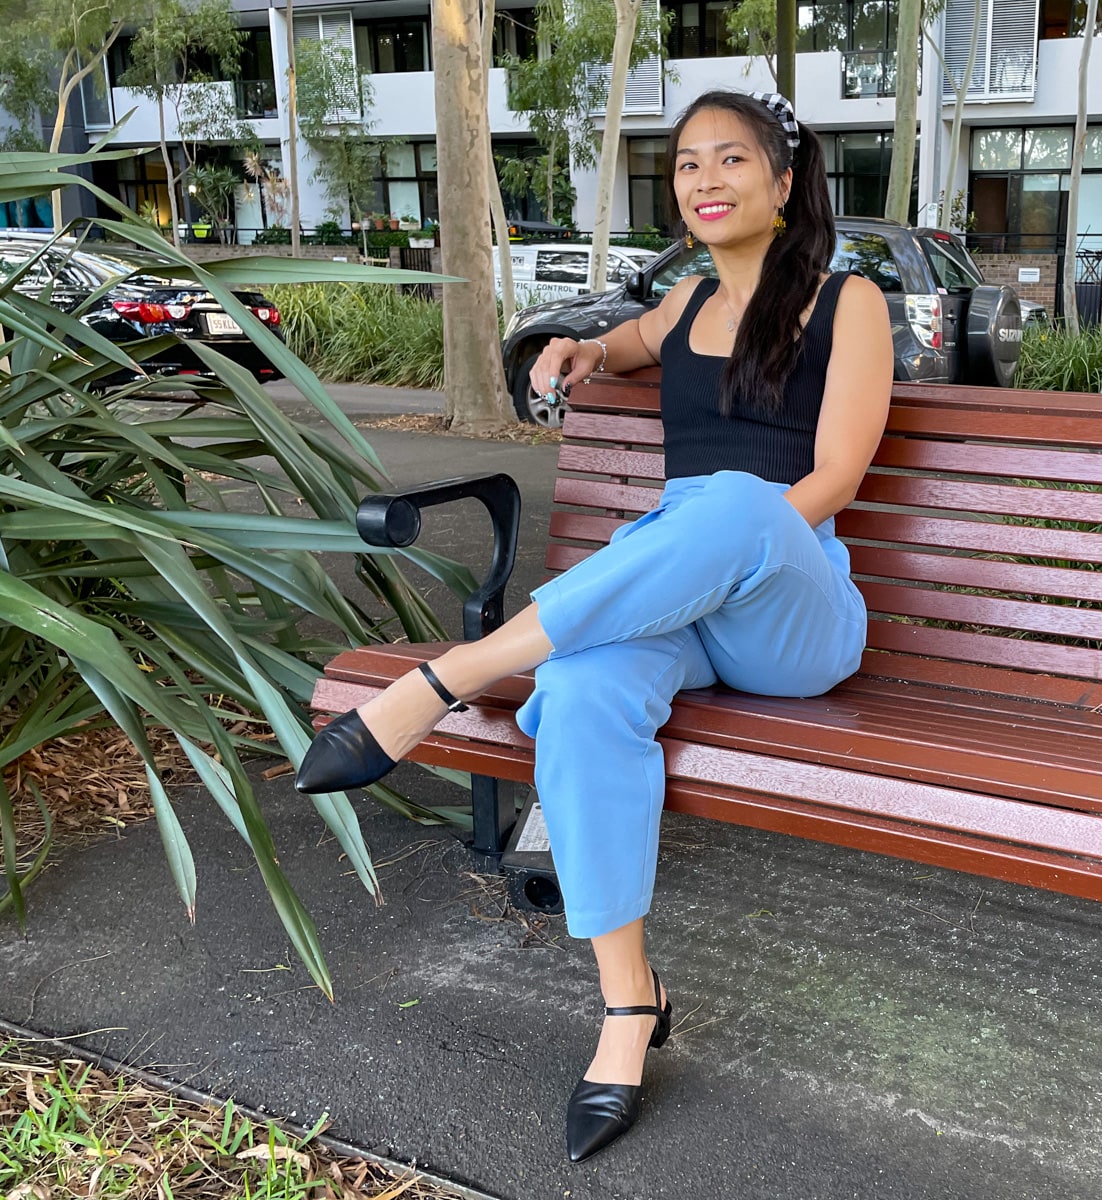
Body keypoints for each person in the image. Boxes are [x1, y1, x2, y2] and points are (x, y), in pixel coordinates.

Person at [294, 89, 893, 1163]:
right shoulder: (687, 306)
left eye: (731, 161)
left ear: (785, 182)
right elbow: (621, 345)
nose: (705, 182)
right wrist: (573, 354)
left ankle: (446, 677)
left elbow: (835, 475)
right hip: (681, 596)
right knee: (576, 689)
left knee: (736, 501)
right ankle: (628, 1005)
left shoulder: (847, 303)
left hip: (792, 601)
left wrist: (727, 528)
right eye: (686, 167)